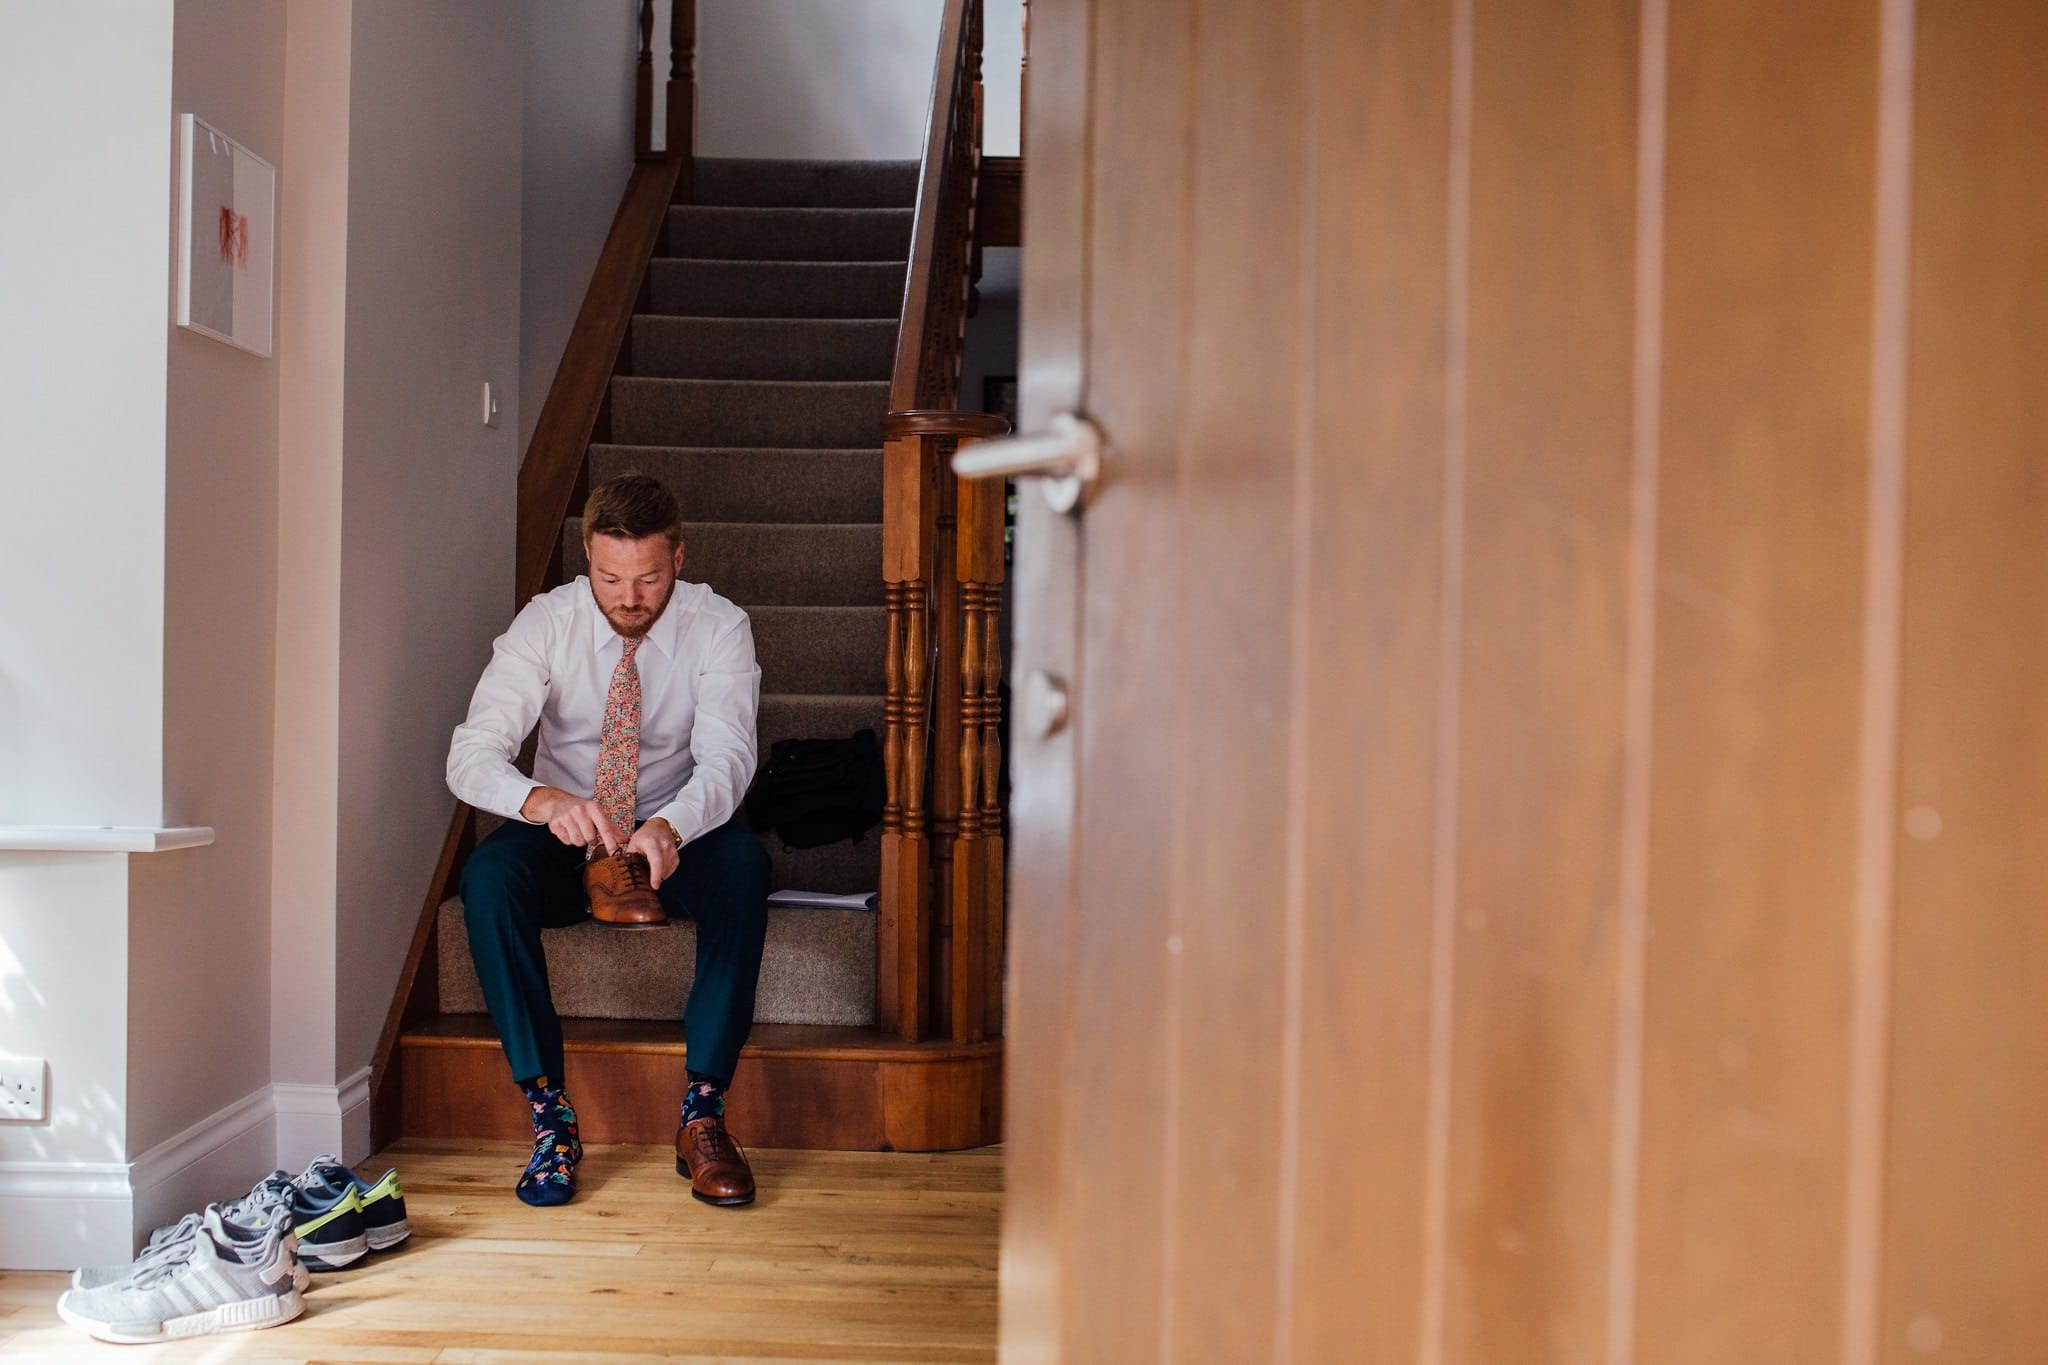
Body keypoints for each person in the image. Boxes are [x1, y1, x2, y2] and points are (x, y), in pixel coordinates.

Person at [446, 473, 771, 1208]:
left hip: (672, 828)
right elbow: (470, 754)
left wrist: (670, 825)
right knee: (489, 879)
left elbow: (729, 759)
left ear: (678, 560)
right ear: (587, 557)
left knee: (746, 864)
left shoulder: (719, 625)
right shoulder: (547, 622)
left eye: (649, 578)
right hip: (573, 830)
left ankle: (705, 1108)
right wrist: (540, 798)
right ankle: (550, 1114)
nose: (628, 597)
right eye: (609, 576)